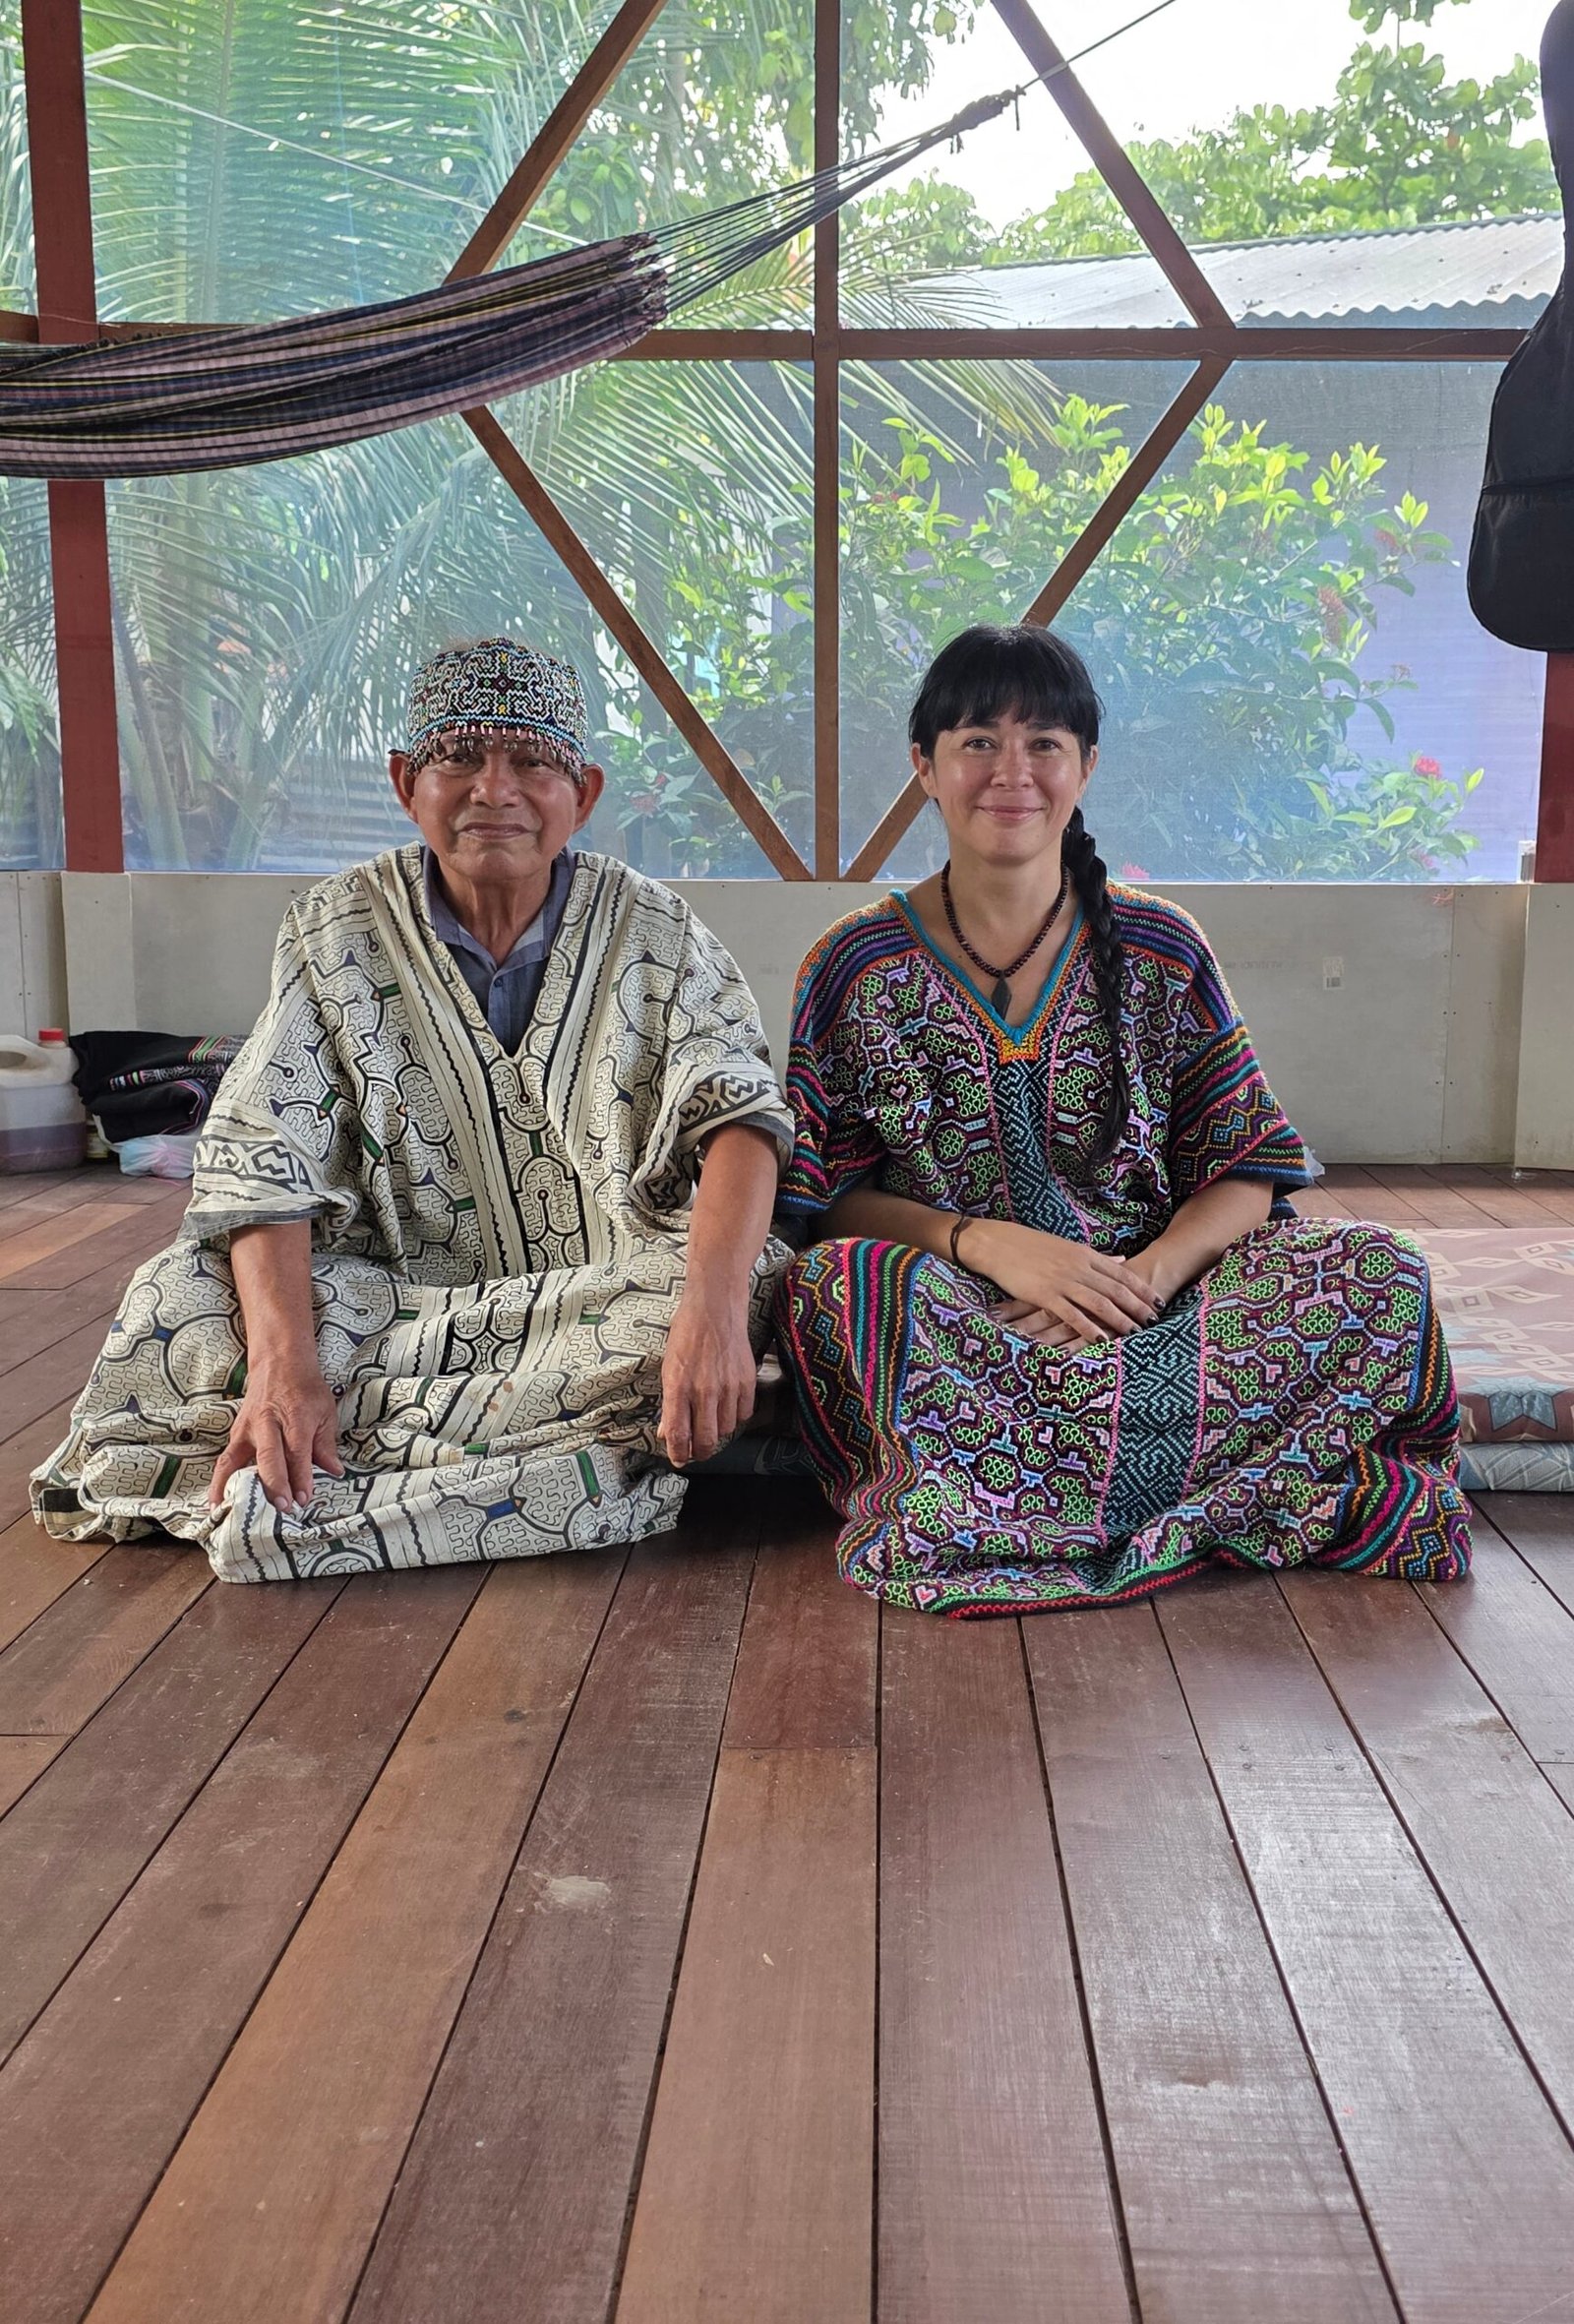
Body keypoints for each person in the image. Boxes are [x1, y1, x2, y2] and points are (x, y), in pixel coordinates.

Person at [32, 638, 791, 1582]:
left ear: (584, 793)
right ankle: (530, 1466)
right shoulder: (334, 925)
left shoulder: (658, 927)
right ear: (405, 781)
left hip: (601, 1296)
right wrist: (284, 1363)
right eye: (460, 757)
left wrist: (711, 1318)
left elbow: (743, 1118)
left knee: (740, 1282)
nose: (494, 789)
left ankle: (303, 1475)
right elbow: (266, 1149)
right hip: (391, 1300)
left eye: (533, 763)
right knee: (170, 1303)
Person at [775, 623, 1472, 1617]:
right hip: (972, 1318)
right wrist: (994, 1248)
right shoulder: (852, 965)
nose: (1010, 772)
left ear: (1085, 767)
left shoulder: (1159, 942)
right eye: (977, 741)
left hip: (1160, 1313)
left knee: (1379, 1268)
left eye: (1043, 743)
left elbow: (1247, 1162)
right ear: (924, 766)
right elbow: (828, 1199)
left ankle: (1005, 1497)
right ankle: (1201, 1489)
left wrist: (1136, 1283)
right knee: (834, 1290)